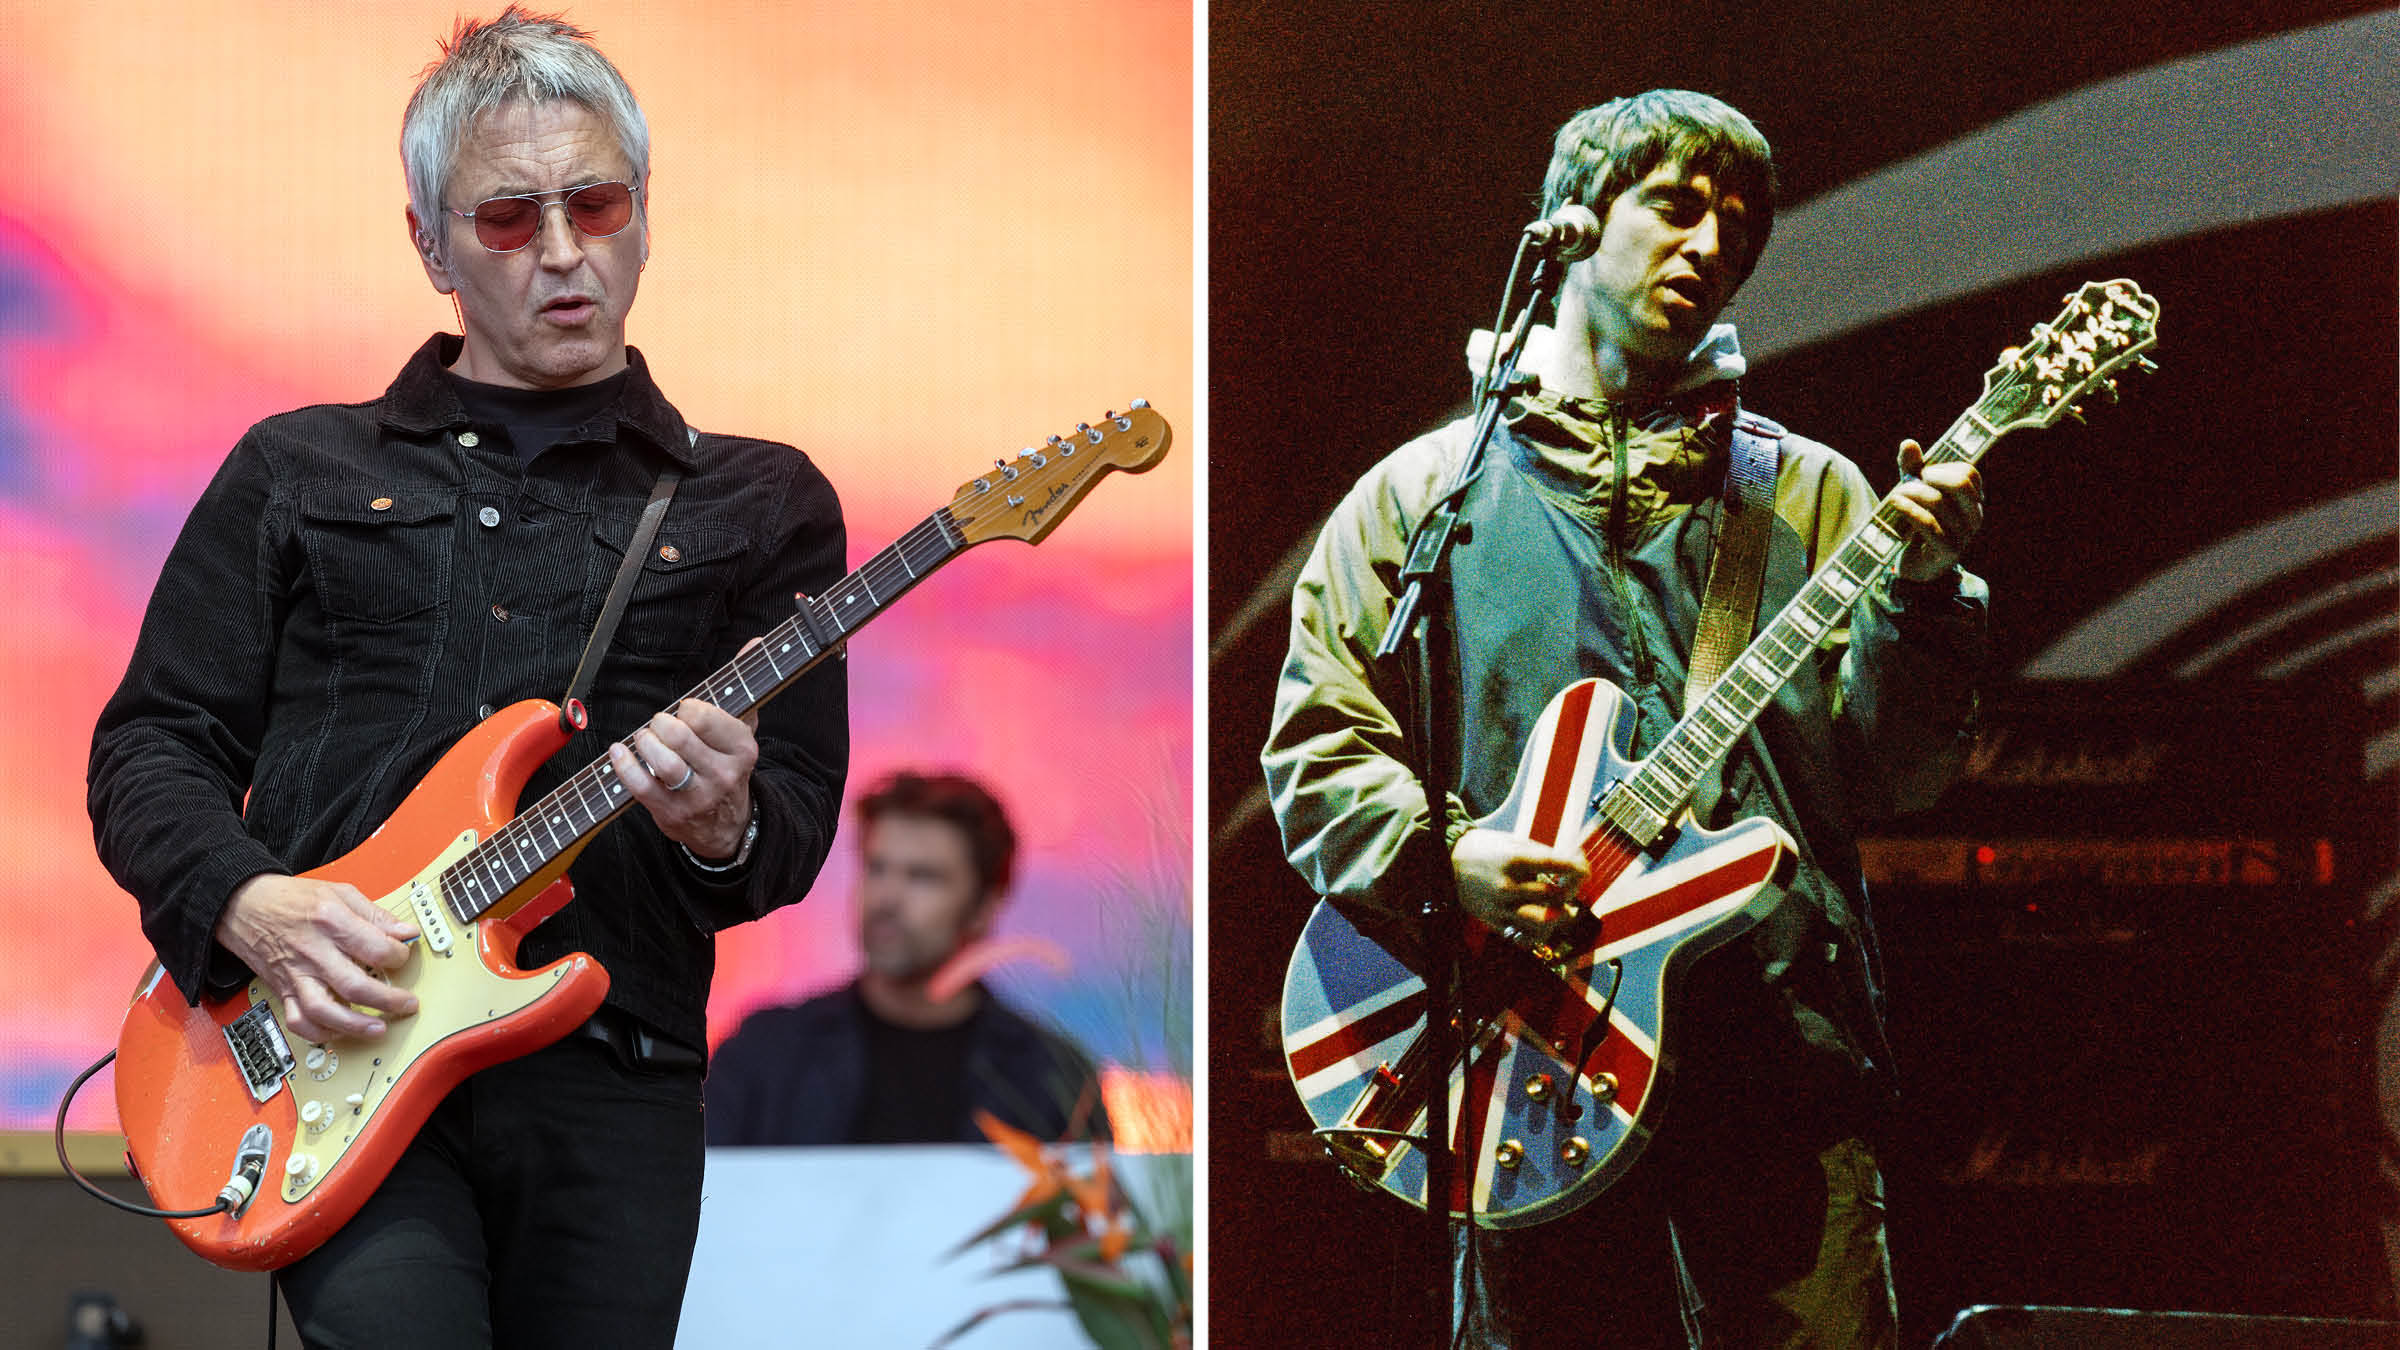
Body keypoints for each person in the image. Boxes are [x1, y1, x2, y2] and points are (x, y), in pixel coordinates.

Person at [84, 10, 847, 1346]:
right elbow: (152, 744)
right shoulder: (296, 470)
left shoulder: (759, 504)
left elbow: (786, 834)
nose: (564, 252)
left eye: (596, 203)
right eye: (507, 218)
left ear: (645, 214)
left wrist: (725, 824)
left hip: (616, 1071)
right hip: (335, 1058)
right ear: (430, 241)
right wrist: (252, 909)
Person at [1261, 89, 1989, 1348]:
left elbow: (1900, 771)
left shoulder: (1811, 496)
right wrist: (1449, 859)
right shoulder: (1422, 501)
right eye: (1677, 205)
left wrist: (1926, 598)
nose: (1711, 245)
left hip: (1777, 1071)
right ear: (1571, 222)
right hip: (1525, 1076)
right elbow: (1321, 752)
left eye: (1740, 224)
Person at [707, 770, 1110, 1146]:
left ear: (986, 904)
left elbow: (1097, 1216)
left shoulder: (1053, 1076)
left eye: (923, 876)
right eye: (877, 868)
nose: (887, 898)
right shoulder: (765, 1053)